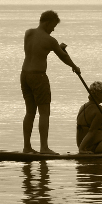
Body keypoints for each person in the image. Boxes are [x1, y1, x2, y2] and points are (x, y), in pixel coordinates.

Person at [21, 10, 81, 154]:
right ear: (47, 22)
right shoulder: (50, 40)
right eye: (53, 26)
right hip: (38, 76)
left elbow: (38, 51)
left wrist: (56, 48)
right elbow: (63, 57)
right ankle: (44, 148)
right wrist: (75, 67)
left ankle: (27, 147)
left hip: (24, 75)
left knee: (30, 112)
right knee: (44, 113)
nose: (53, 29)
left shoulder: (28, 33)